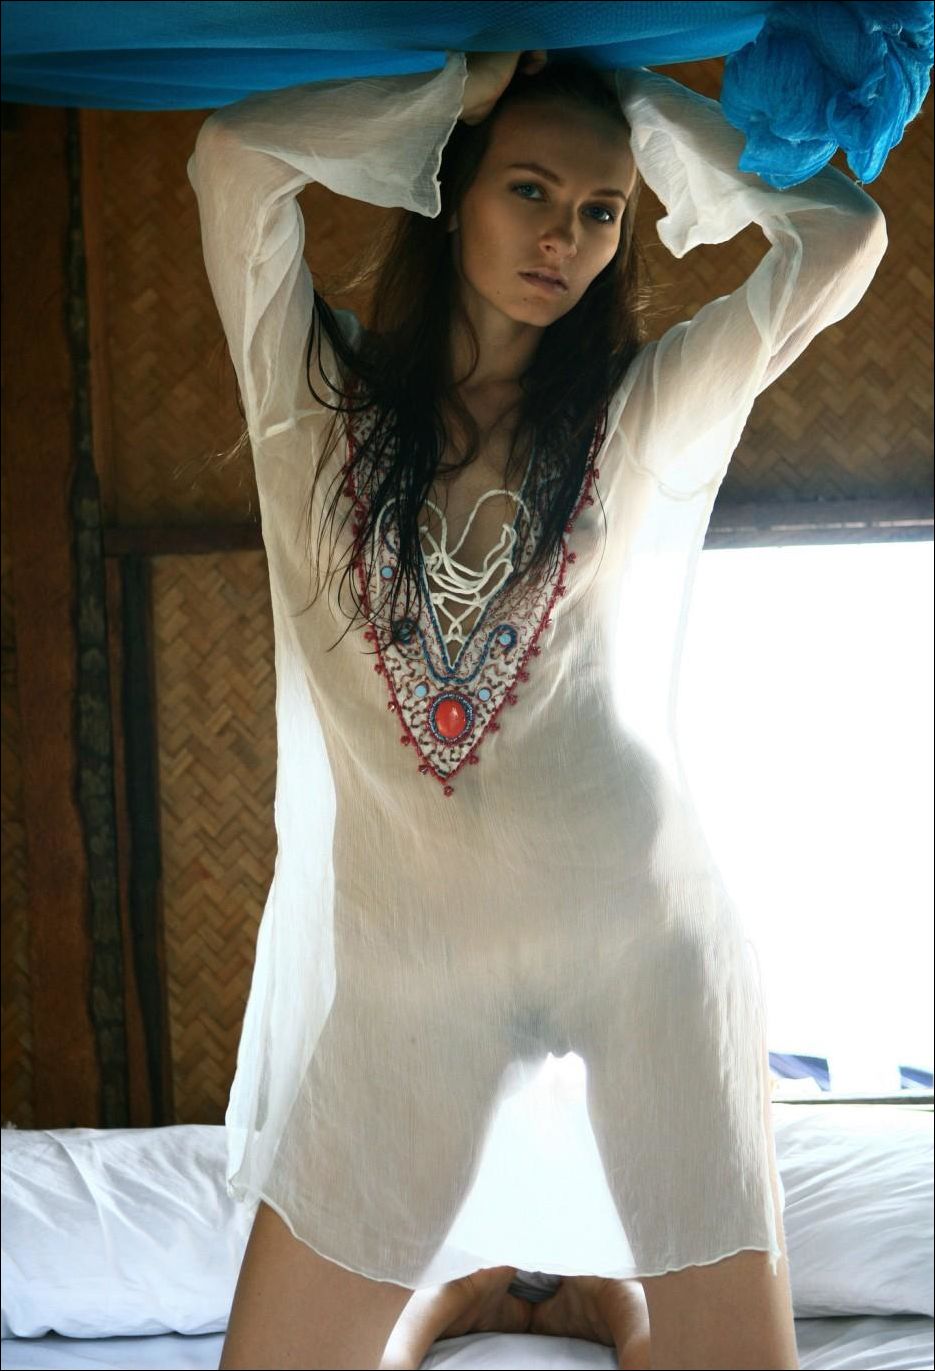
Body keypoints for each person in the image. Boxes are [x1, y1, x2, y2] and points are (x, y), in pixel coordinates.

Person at [187, 46, 887, 1371]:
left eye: (601, 211)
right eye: (529, 189)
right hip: (411, 971)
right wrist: (464, 91)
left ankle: (593, 1304)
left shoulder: (633, 412)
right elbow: (233, 162)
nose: (564, 236)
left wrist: (642, 106)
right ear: (454, 191)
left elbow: (844, 237)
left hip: (643, 935)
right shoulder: (308, 395)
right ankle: (486, 1299)